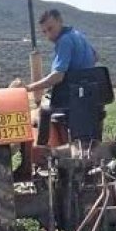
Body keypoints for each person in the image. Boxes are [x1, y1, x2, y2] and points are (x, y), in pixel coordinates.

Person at [23, 9, 98, 145]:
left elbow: (57, 76)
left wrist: (28, 88)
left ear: (60, 21)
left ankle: (42, 150)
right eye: (45, 32)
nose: (48, 35)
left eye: (50, 29)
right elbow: (95, 56)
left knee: (42, 111)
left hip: (70, 100)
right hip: (89, 97)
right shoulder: (79, 35)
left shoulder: (64, 41)